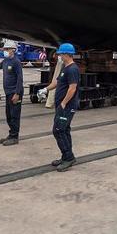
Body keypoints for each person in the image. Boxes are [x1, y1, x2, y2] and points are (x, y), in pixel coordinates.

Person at [43, 43, 79, 172]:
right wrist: (45, 89)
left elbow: (72, 88)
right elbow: (57, 82)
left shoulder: (73, 69)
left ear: (66, 54)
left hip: (67, 106)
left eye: (60, 54)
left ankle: (68, 158)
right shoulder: (65, 67)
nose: (58, 56)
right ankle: (67, 156)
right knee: (64, 130)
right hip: (62, 105)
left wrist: (63, 103)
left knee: (58, 130)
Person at [0, 41, 24, 146]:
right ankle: (11, 134)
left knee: (14, 115)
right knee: (9, 115)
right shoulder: (6, 61)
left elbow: (20, 78)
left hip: (15, 92)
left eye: (7, 49)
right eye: (4, 49)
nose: (5, 51)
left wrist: (17, 93)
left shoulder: (16, 62)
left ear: (13, 50)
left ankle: (14, 136)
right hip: (8, 92)